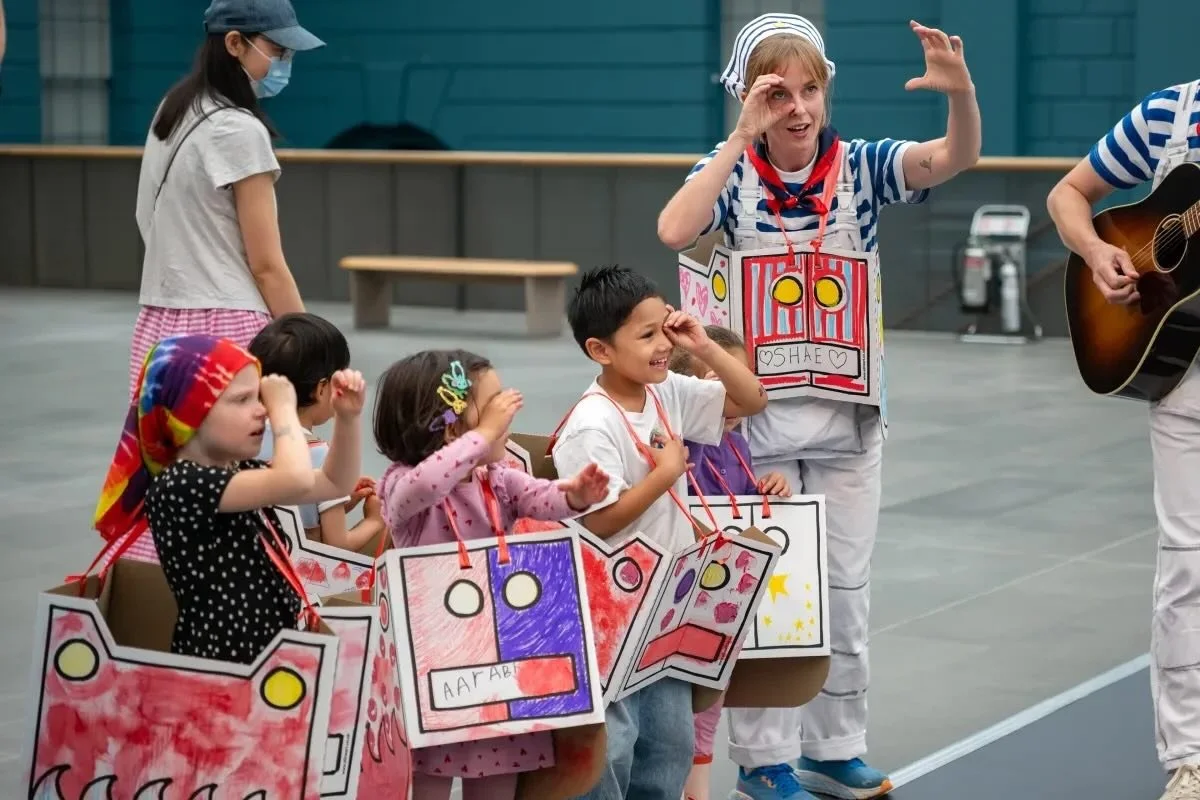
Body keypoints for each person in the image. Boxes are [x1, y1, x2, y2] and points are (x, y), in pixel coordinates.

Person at [656, 13, 981, 800]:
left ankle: (837, 744)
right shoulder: (729, 172)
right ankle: (763, 762)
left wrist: (961, 93)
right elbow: (673, 229)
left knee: (844, 587)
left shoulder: (864, 167)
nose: (796, 107)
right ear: (747, 97)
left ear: (826, 90)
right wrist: (739, 135)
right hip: (753, 426)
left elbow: (952, 158)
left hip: (848, 420)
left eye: (808, 89)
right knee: (769, 592)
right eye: (776, 92)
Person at [549, 265, 768, 800]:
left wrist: (706, 347)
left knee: (669, 744)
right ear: (601, 351)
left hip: (668, 602)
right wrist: (668, 473)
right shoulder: (590, 425)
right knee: (616, 744)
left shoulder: (665, 390)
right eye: (646, 335)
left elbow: (750, 400)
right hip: (612, 611)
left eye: (663, 327)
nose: (661, 344)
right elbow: (599, 520)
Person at [1046, 79, 1200, 800]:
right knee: (1187, 567)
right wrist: (1098, 253)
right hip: (1183, 377)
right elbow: (1068, 195)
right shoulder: (1169, 112)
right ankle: (1189, 758)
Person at [372, 348, 611, 800]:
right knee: (427, 782)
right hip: (433, 667)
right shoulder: (402, 486)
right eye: (494, 402)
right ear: (447, 423)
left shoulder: (497, 477)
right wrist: (483, 434)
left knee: (498, 778)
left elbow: (541, 498)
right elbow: (427, 484)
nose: (508, 410)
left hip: (496, 662)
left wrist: (575, 495)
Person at [91, 334, 366, 664]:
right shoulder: (181, 484)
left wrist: (347, 420)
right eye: (242, 400)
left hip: (261, 652)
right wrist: (285, 411)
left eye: (260, 398)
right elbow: (296, 476)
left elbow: (337, 482)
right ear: (188, 413)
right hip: (223, 664)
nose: (262, 411)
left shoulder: (239, 470)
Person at [126, 0, 322, 414]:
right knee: (246, 471)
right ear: (235, 43)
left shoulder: (174, 108)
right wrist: (312, 348)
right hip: (227, 326)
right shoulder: (239, 128)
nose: (284, 62)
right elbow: (266, 265)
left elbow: (146, 215)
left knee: (173, 467)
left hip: (159, 322)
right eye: (278, 50)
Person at [669, 324, 793, 800]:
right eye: (727, 377)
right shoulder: (676, 437)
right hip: (675, 597)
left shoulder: (737, 446)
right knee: (671, 709)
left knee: (709, 701)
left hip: (721, 603)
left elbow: (742, 504)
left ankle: (698, 786)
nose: (743, 388)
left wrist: (768, 488)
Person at [249, 312, 384, 552]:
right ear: (322, 389)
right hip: (301, 582)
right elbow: (337, 544)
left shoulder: (243, 440)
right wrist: (374, 521)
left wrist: (339, 502)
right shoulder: (318, 454)